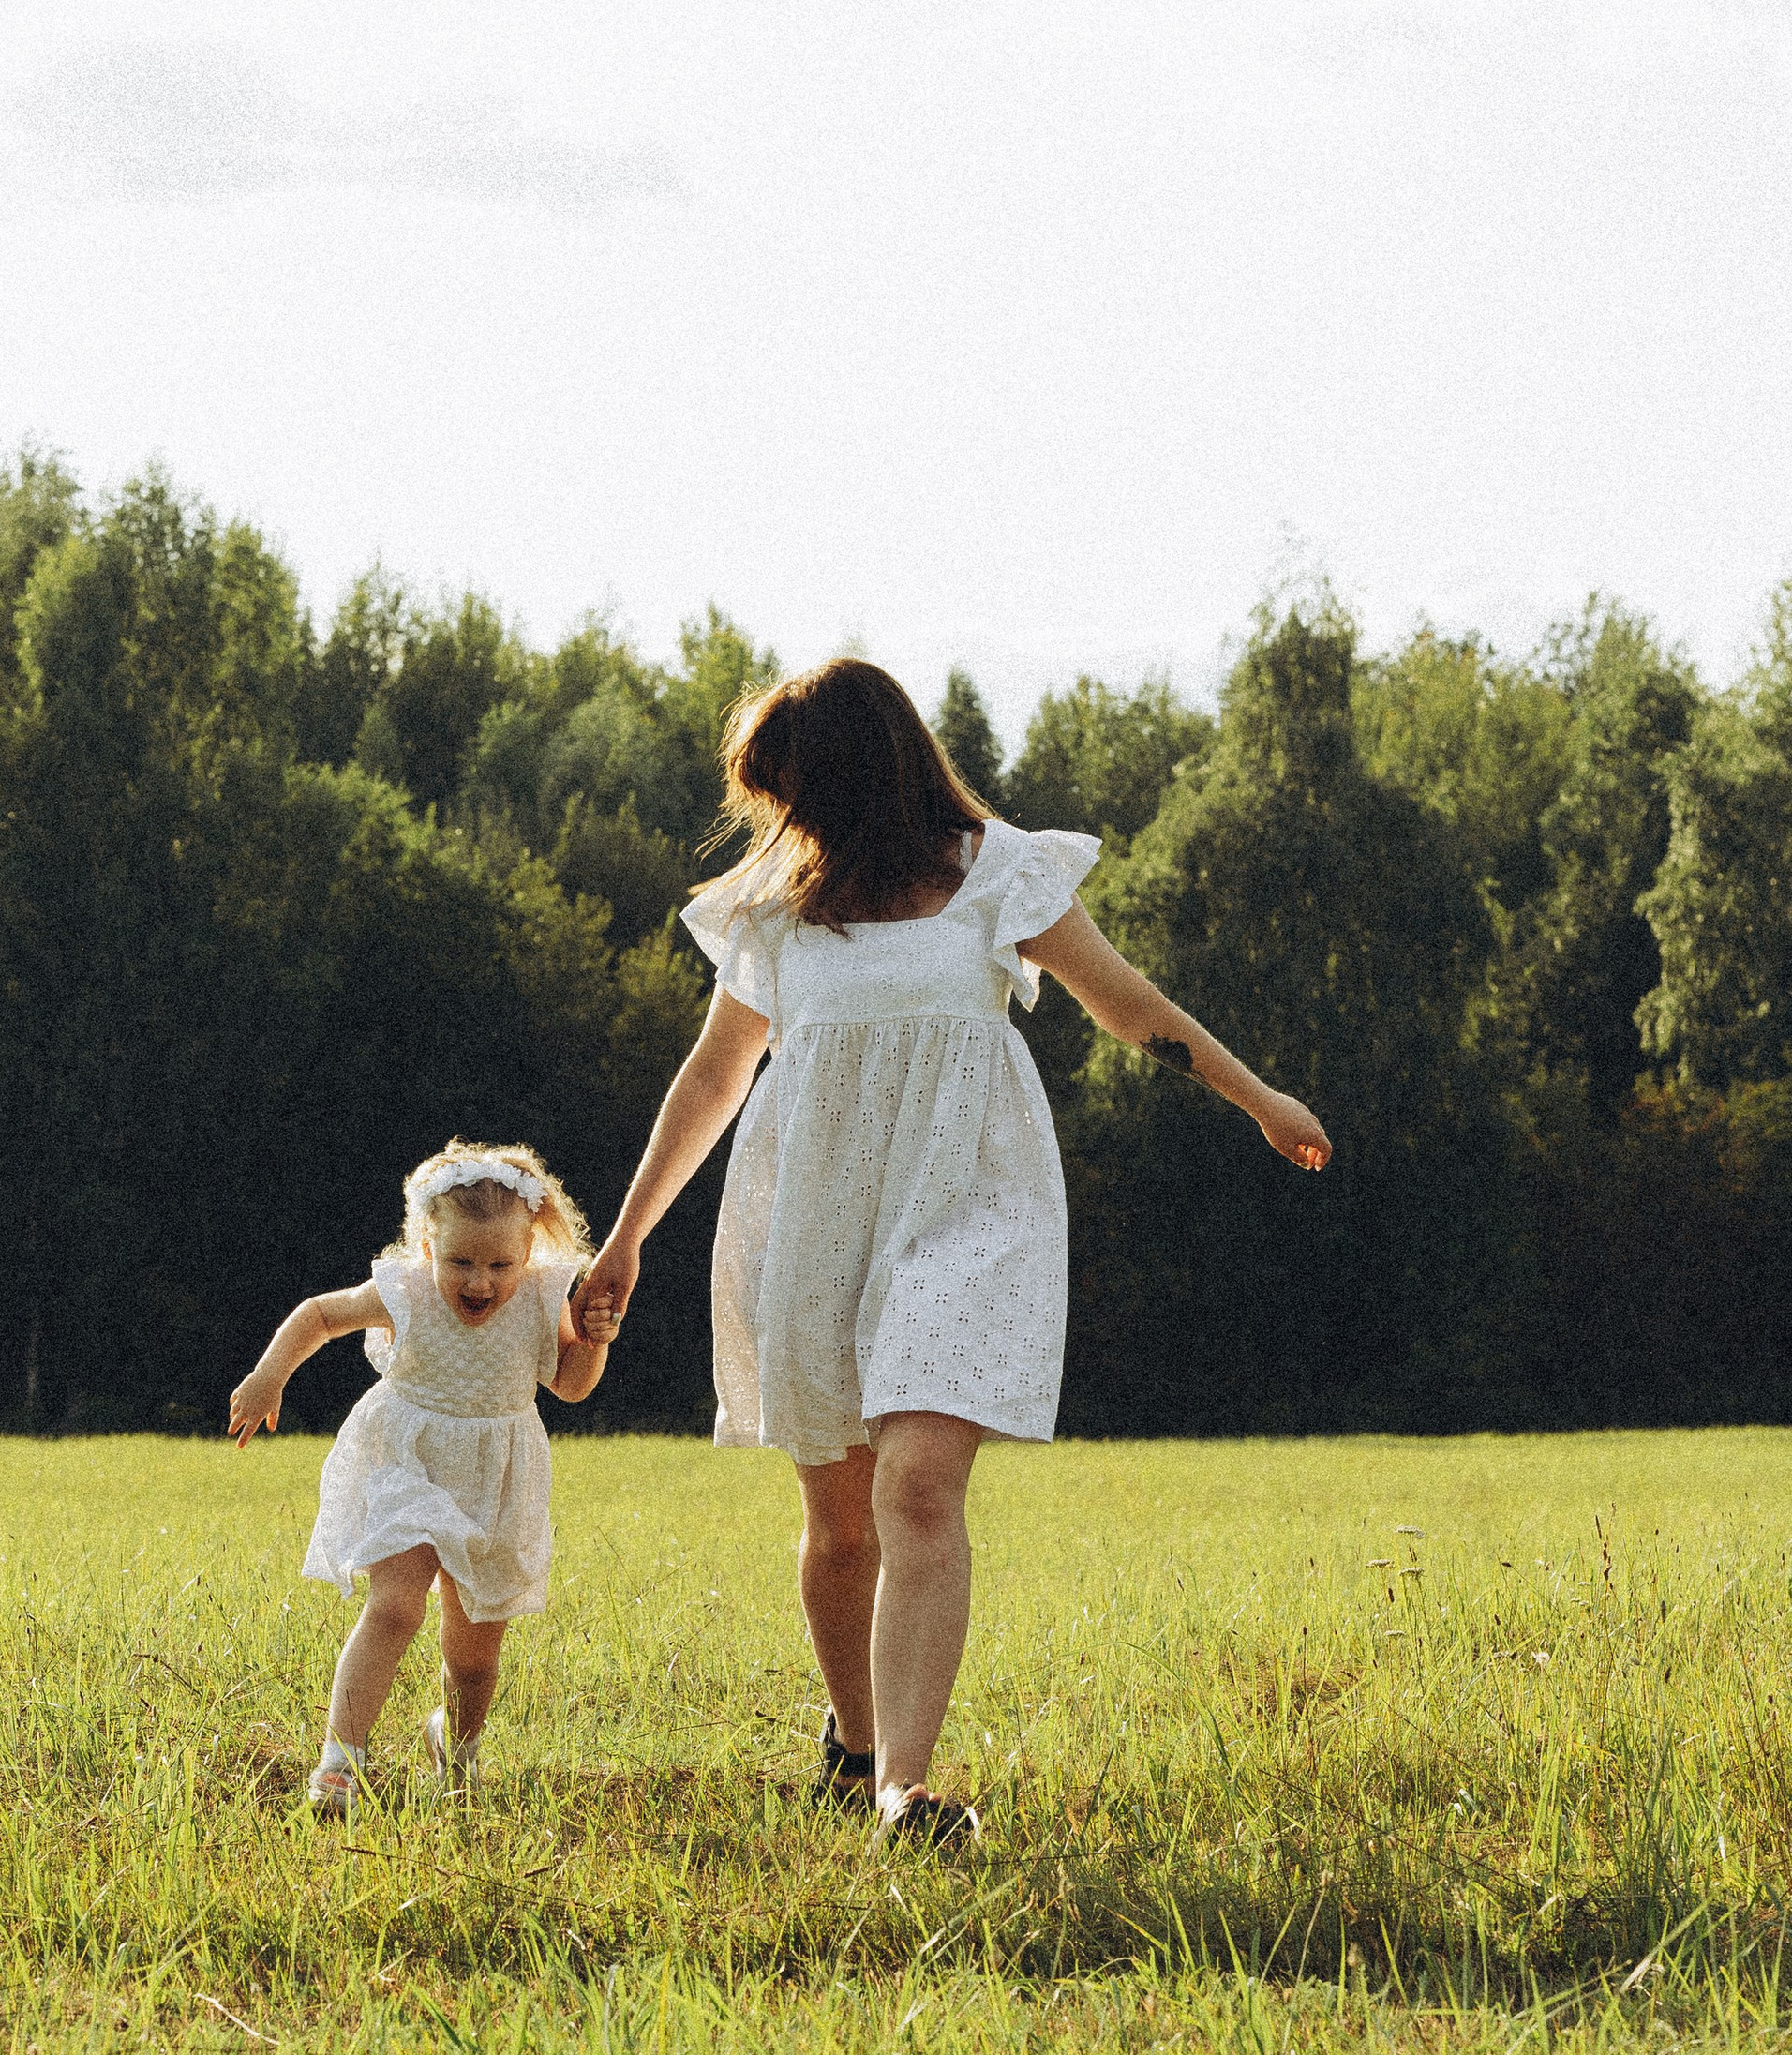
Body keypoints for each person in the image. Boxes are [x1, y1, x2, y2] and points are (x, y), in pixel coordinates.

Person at [576, 659, 1330, 1851]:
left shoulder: (998, 876)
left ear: (858, 775)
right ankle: (856, 1744)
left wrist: (1259, 1099)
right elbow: (717, 1075)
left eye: (793, 789)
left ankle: (903, 1796)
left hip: (966, 1208)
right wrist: (625, 1238)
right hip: (815, 1215)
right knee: (840, 1526)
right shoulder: (773, 909)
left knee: (917, 1483)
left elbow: (1128, 1006)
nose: (780, 816)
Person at [229, 1141, 619, 1815]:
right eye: (461, 1261)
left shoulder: (539, 1299)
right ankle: (338, 1764)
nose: (479, 1281)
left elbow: (571, 1386)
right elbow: (321, 1315)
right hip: (406, 1460)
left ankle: (457, 1754)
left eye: (500, 1264)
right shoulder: (405, 1291)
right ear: (428, 1244)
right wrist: (270, 1374)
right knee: (397, 1605)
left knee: (472, 1654)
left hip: (497, 1477)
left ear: (527, 1256)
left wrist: (595, 1342)